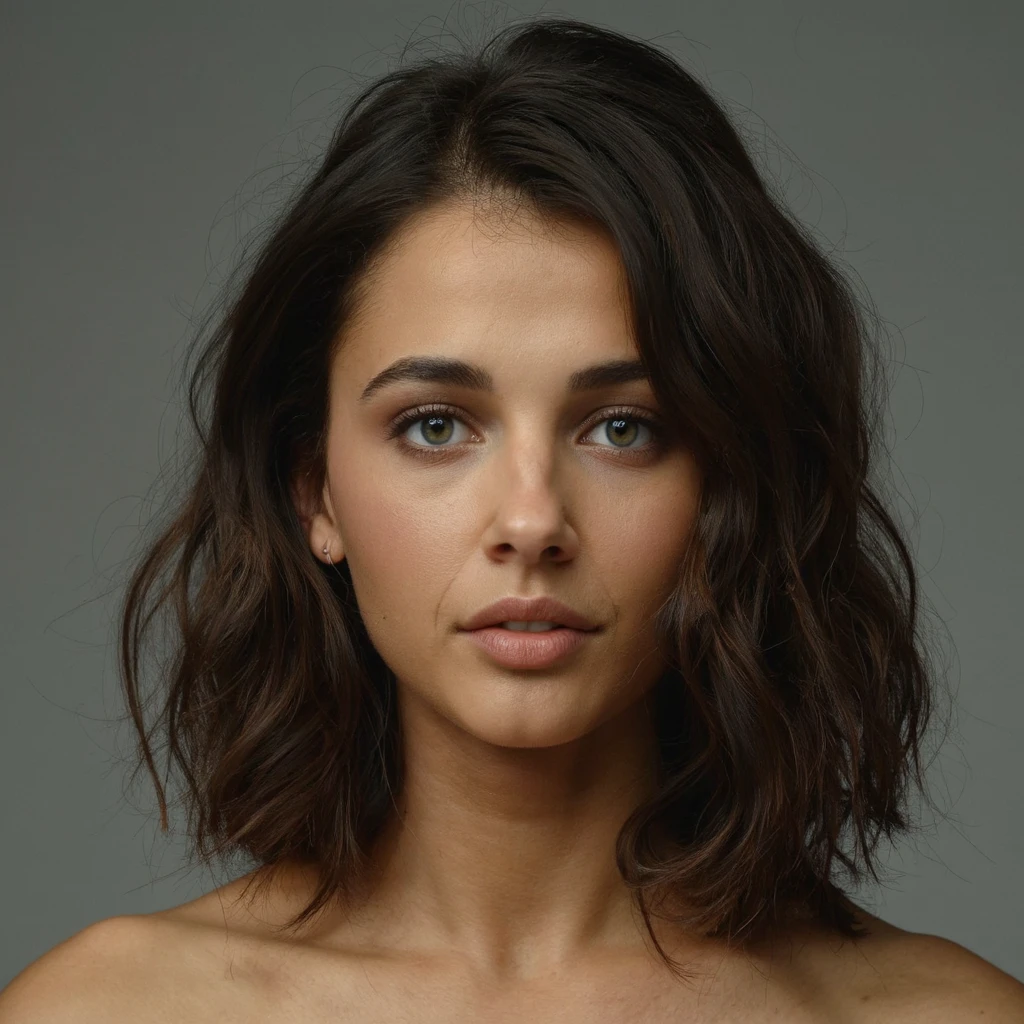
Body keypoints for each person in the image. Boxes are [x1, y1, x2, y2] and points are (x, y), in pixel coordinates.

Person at [3, 15, 1022, 1023]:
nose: (531, 521)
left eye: (624, 427)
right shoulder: (107, 1009)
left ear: (730, 481)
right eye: (436, 425)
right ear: (313, 490)